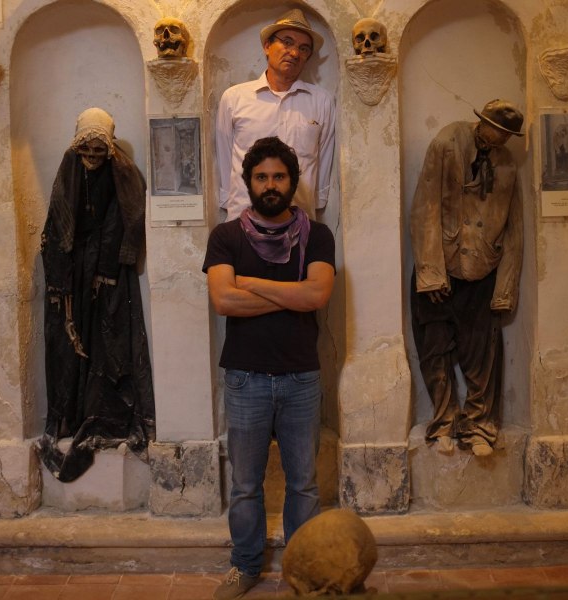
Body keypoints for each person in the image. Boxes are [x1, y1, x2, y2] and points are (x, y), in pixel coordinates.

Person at [203, 137, 335, 599]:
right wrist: (292, 295)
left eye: (279, 176)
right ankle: (245, 566)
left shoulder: (318, 236)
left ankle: (301, 568)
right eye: (261, 177)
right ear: (249, 182)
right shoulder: (226, 237)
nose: (271, 184)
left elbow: (318, 295)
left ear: (292, 181)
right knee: (244, 484)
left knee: (304, 484)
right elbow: (224, 301)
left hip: (301, 376)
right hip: (246, 377)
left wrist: (251, 284)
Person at [37, 108, 155, 482]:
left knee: (110, 342)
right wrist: (61, 278)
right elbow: (58, 219)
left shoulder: (122, 171)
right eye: (85, 149)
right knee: (70, 345)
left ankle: (108, 413)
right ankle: (69, 414)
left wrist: (109, 266)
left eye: (97, 149)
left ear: (108, 145)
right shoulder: (69, 168)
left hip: (108, 273)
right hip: (74, 271)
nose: (91, 155)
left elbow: (131, 215)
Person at [410, 99, 524, 457]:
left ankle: (479, 425)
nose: (501, 139)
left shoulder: (507, 164)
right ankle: (443, 421)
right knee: (435, 345)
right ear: (482, 122)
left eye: (507, 135)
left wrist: (504, 290)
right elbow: (425, 206)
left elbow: (515, 228)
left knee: (483, 350)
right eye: (497, 130)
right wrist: (431, 273)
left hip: (483, 267)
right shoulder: (447, 144)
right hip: (441, 264)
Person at [216, 8, 336, 221]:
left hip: (299, 223)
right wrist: (231, 203)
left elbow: (323, 163)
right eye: (287, 42)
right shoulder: (234, 98)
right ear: (267, 46)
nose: (295, 53)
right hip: (243, 221)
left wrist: (314, 205)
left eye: (304, 48)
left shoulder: (321, 101)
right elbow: (225, 160)